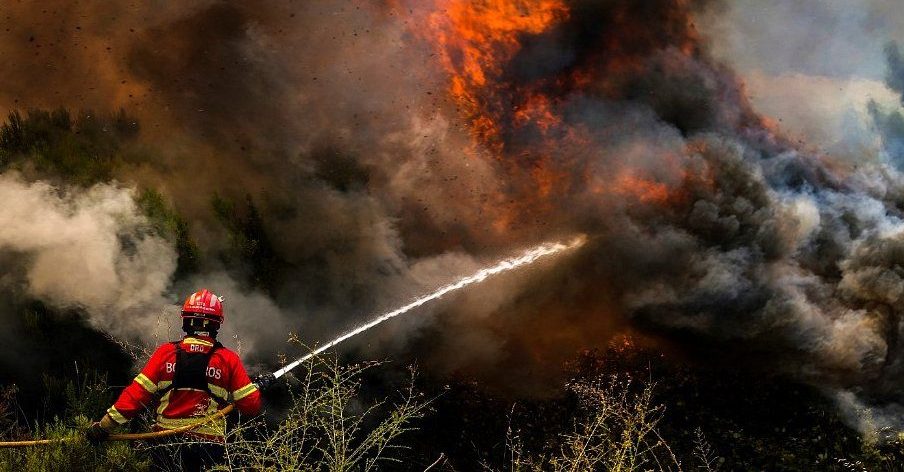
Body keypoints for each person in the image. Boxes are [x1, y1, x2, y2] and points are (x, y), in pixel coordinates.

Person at [88, 289, 263, 471]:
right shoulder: (228, 359)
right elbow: (251, 405)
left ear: (185, 320)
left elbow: (134, 396)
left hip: (167, 446)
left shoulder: (165, 354)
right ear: (217, 323)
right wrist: (255, 388)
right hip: (209, 448)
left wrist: (103, 426)